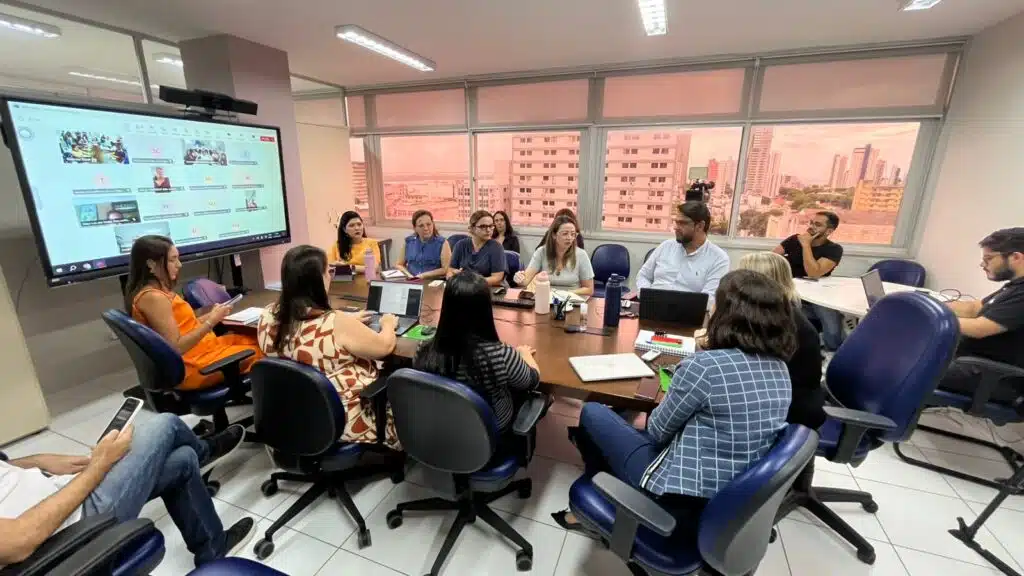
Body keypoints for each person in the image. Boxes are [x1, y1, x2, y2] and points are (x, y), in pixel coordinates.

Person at [552, 270, 795, 533]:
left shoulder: (705, 366)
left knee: (592, 411)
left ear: (727, 315)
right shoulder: (781, 368)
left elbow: (656, 431)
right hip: (731, 496)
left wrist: (676, 389)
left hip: (677, 492)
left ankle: (603, 492)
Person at [0, 415, 254, 569]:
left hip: (59, 494)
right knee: (165, 425)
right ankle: (208, 451)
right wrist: (99, 465)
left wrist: (37, 461)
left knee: (182, 461)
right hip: (72, 530)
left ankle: (213, 550)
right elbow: (20, 541)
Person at [257, 245, 401, 449]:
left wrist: (347, 321)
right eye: (328, 272)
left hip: (294, 412)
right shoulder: (335, 323)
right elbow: (385, 346)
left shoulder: (267, 316)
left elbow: (305, 332)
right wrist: (387, 324)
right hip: (343, 417)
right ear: (317, 280)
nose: (330, 276)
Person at [414, 271, 540, 444]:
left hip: (444, 426)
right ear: (486, 309)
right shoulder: (500, 355)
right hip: (487, 434)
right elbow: (533, 380)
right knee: (528, 392)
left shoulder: (425, 348)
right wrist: (524, 355)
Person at [127, 235, 263, 391]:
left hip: (202, 350)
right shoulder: (153, 298)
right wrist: (211, 321)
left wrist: (211, 316)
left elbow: (182, 327)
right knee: (268, 349)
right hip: (194, 366)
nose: (179, 265)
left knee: (260, 339)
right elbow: (176, 347)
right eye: (172, 260)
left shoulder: (156, 292)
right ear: (151, 264)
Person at [736, 252, 826, 429]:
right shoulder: (778, 312)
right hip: (783, 394)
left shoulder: (781, 324)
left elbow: (745, 367)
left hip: (787, 408)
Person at [938, 228, 1024, 405]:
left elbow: (980, 328)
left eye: (989, 259)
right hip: (971, 364)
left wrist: (929, 318)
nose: (983, 264)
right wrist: (931, 305)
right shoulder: (1014, 287)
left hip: (991, 375)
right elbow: (973, 308)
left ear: (1016, 257)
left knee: (901, 366)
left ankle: (883, 426)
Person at [636, 201, 730, 308]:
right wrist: (647, 296)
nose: (676, 227)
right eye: (676, 222)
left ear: (700, 226)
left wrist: (675, 305)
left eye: (682, 223)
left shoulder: (719, 259)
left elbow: (709, 299)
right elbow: (643, 276)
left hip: (687, 316)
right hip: (651, 308)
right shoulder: (666, 246)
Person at [773, 211, 845, 351]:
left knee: (828, 312)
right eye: (811, 223)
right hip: (790, 293)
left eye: (817, 225)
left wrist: (806, 245)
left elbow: (814, 273)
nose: (811, 227)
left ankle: (833, 351)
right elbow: (771, 259)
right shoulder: (794, 240)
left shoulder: (834, 249)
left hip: (816, 296)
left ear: (829, 231)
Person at [514, 215, 595, 296]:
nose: (569, 238)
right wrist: (519, 278)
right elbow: (525, 281)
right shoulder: (541, 252)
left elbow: (589, 289)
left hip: (571, 300)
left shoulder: (581, 255)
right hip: (546, 299)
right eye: (565, 234)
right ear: (554, 235)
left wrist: (564, 294)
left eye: (573, 234)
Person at [448, 210, 506, 287]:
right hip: (463, 289)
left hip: (485, 289)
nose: (488, 230)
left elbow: (497, 278)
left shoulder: (496, 247)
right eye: (483, 226)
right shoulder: (460, 245)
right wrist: (453, 276)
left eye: (491, 226)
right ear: (472, 228)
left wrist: (470, 282)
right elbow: (450, 271)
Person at [395, 210, 451, 280]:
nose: (426, 228)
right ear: (415, 228)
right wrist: (409, 275)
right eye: (421, 226)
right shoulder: (409, 242)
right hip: (411, 281)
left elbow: (445, 269)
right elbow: (399, 264)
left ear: (433, 224)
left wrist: (423, 276)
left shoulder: (442, 243)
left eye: (429, 224)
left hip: (432, 282)